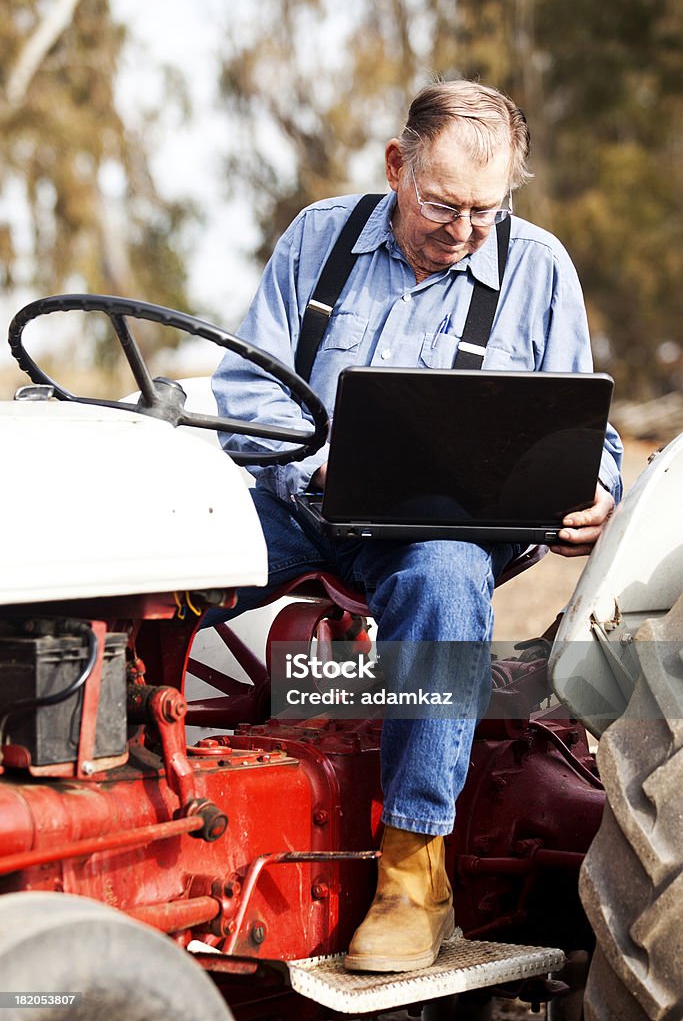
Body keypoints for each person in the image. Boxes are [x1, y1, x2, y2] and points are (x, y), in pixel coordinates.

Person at [211, 79, 623, 972]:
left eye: (486, 208)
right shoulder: (318, 238)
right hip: (307, 505)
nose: (465, 228)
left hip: (444, 531)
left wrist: (594, 488)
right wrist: (313, 464)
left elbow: (587, 430)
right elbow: (244, 397)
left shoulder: (538, 266)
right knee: (169, 551)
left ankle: (413, 875)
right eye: (443, 203)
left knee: (439, 573)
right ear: (397, 166)